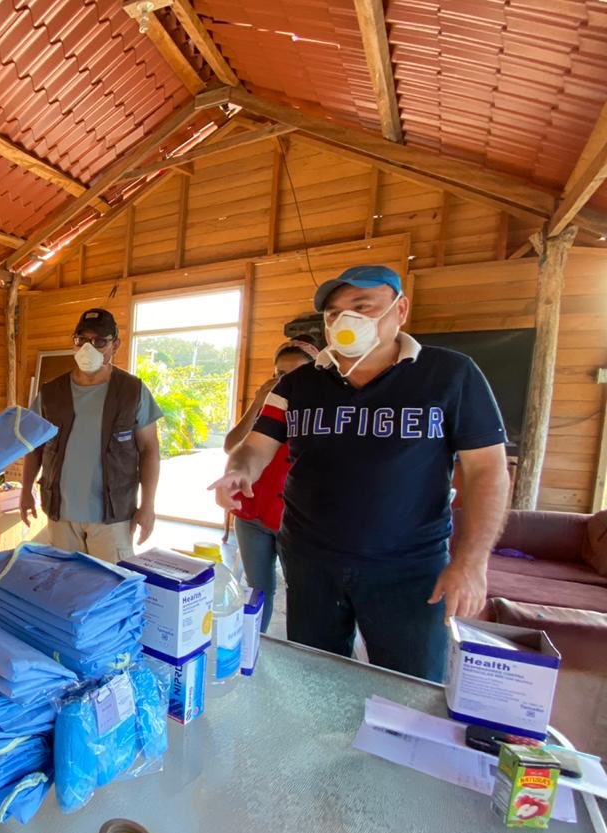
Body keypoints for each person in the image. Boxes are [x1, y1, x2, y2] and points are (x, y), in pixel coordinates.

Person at [210, 266, 509, 681]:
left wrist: (471, 561)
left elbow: (487, 471)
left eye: (362, 306)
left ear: (400, 309)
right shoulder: (298, 384)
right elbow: (254, 448)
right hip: (311, 562)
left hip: (410, 571)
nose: (344, 321)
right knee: (313, 683)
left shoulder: (451, 375)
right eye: (333, 313)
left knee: (410, 687)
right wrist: (238, 473)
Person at [20, 308, 162, 564]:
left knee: (112, 593)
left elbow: (150, 450)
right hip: (61, 516)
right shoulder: (51, 393)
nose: (89, 348)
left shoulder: (132, 392)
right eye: (82, 340)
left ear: (115, 345)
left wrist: (148, 505)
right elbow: (35, 447)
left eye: (99, 341)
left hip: (113, 517)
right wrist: (25, 490)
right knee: (65, 590)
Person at [223, 336, 319, 629]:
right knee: (258, 589)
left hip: (296, 519)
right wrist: (258, 402)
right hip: (253, 514)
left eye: (297, 373)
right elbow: (232, 446)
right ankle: (254, 646)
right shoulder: (268, 411)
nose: (286, 381)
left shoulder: (318, 414)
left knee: (305, 593)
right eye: (280, 374)